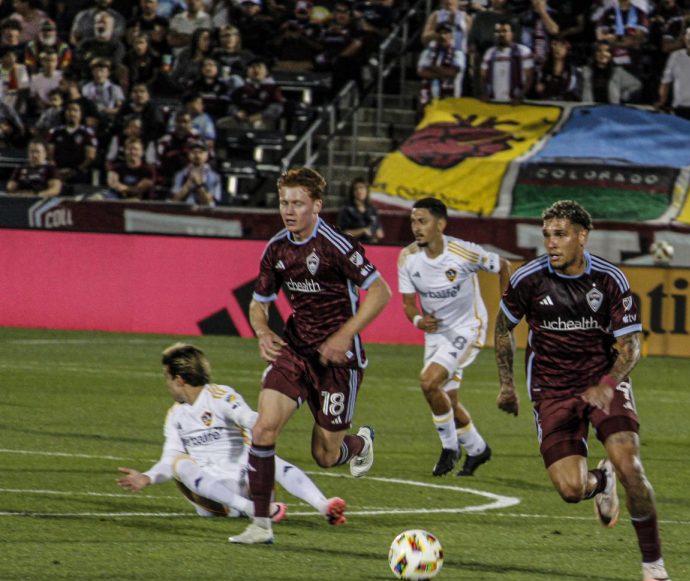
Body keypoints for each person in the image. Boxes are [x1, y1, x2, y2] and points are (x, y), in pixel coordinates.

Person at [494, 199, 671, 581]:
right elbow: (502, 328)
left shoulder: (609, 280)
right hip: (552, 389)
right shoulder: (529, 279)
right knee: (572, 490)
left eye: (560, 235)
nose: (551, 243)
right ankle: (600, 483)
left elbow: (632, 347)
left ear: (581, 236)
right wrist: (507, 384)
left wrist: (607, 385)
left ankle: (652, 562)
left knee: (631, 467)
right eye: (547, 236)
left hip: (602, 381)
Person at [239, 166, 392, 544]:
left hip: (340, 362)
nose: (289, 210)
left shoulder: (337, 246)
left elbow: (381, 292)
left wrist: (344, 336)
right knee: (262, 429)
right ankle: (260, 524)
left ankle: (359, 444)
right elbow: (259, 303)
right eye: (283, 202)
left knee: (325, 454)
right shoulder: (276, 248)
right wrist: (261, 331)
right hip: (296, 350)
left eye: (298, 203)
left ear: (317, 206)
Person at [116, 342, 348, 537]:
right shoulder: (176, 415)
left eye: (166, 377)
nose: (166, 384)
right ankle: (254, 509)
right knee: (178, 463)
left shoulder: (219, 396)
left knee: (266, 457)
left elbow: (247, 418)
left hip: (249, 482)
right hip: (215, 498)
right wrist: (147, 477)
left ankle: (323, 505)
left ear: (178, 379)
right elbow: (168, 459)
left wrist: (269, 413)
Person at [399, 196, 510, 476]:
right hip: (436, 334)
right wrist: (417, 320)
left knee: (428, 382)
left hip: (467, 328)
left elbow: (503, 265)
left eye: (422, 221)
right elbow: (408, 303)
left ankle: (450, 448)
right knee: (448, 398)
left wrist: (509, 309)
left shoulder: (463, 253)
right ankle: (478, 449)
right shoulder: (407, 258)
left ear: (440, 224)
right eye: (413, 221)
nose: (416, 227)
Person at [337, 177, 384, 243]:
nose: (359, 191)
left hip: (372, 245)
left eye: (361, 188)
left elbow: (380, 233)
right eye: (356, 189)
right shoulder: (346, 210)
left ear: (367, 190)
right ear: (352, 192)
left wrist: (376, 233)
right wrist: (363, 231)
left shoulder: (373, 209)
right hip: (353, 246)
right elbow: (343, 233)